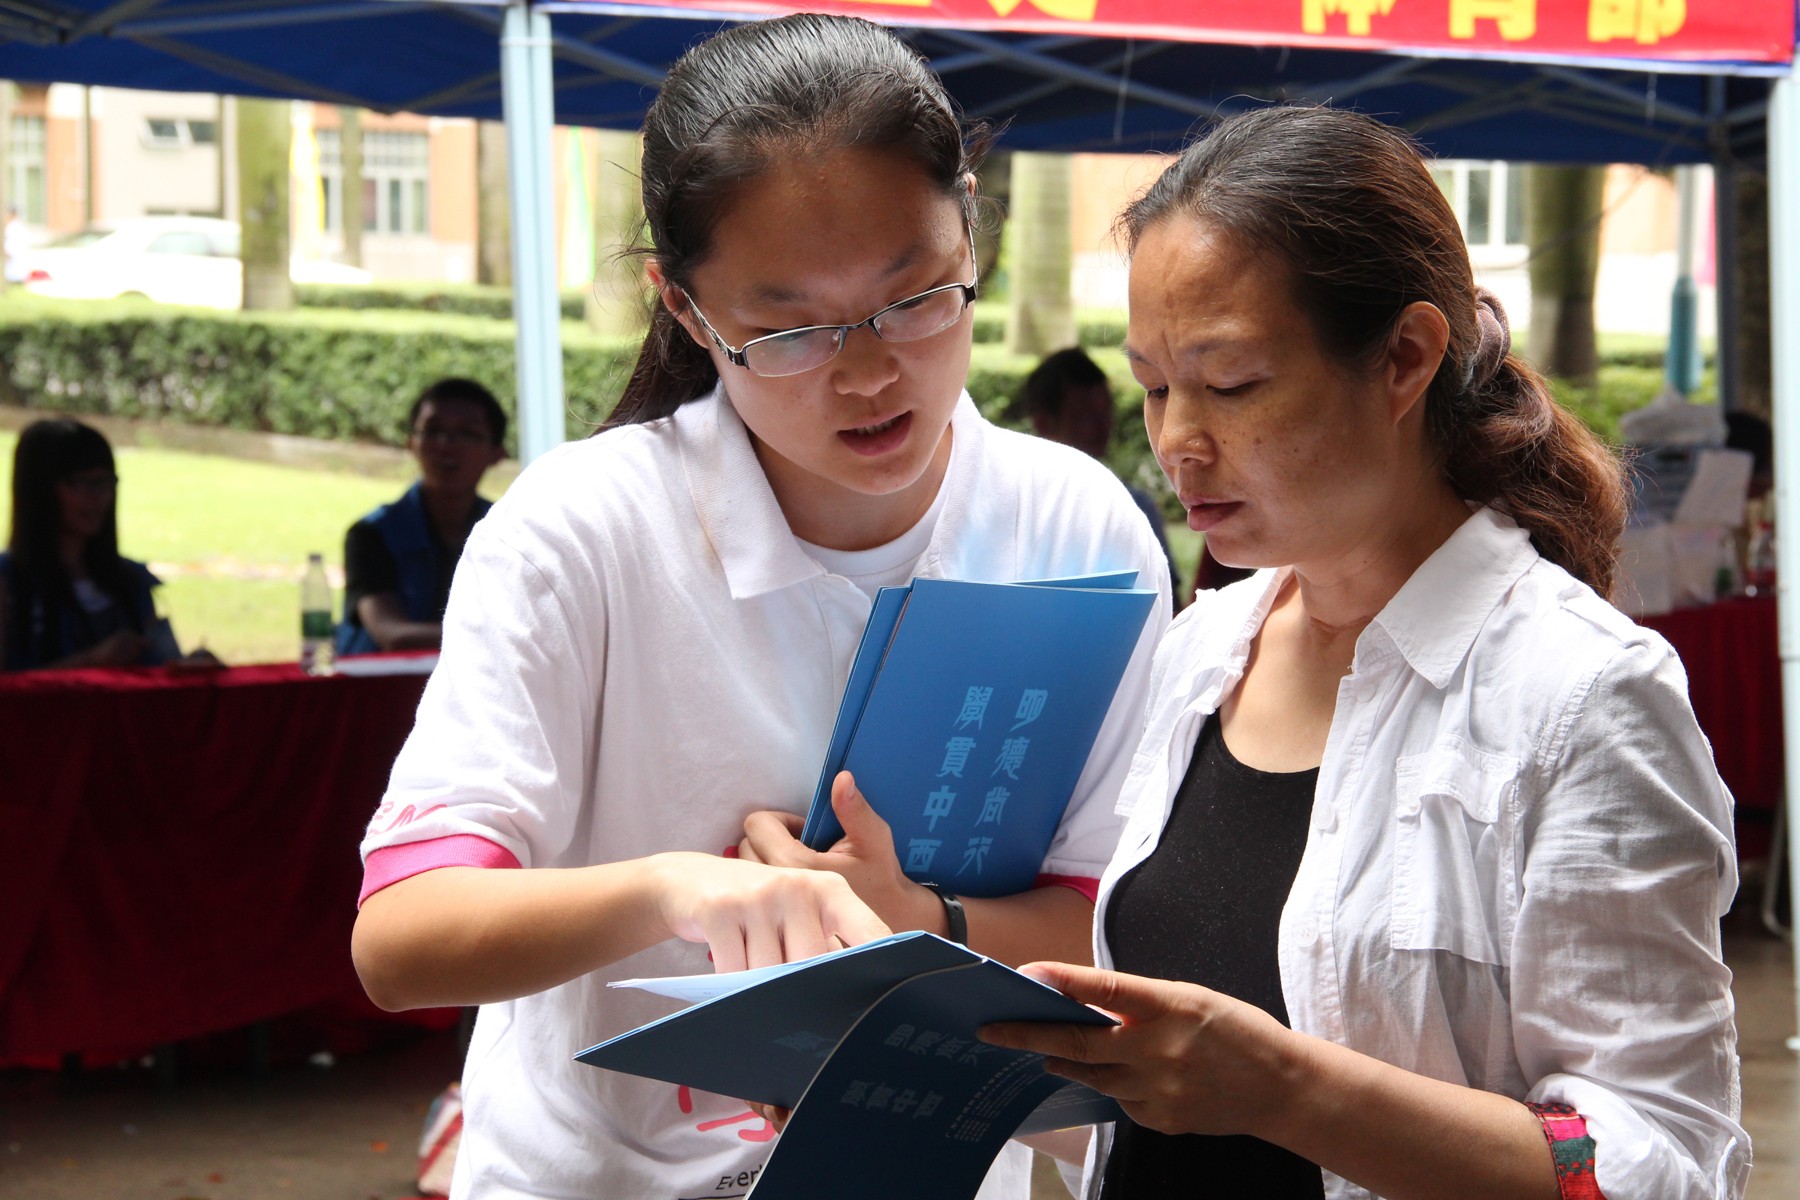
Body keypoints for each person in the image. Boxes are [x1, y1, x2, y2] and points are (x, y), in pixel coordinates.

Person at [349, 15, 1170, 1200]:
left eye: (914, 297)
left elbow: (1113, 922)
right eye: (787, 330)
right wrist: (677, 890)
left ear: (969, 225)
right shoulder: (582, 532)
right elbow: (403, 936)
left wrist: (914, 915)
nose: (869, 371)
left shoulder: (1074, 531)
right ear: (685, 310)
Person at [981, 106, 1747, 1200]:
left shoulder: (1579, 697)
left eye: (1233, 382)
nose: (1177, 441)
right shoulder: (1204, 653)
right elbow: (1155, 1107)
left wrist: (1292, 1092)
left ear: (1405, 357)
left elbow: (1659, 1162)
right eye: (1154, 384)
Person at [1, 417, 204, 671]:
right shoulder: (10, 582)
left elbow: (161, 667)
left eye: (106, 481)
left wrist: (190, 666)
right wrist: (91, 661)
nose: (99, 496)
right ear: (40, 490)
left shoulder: (131, 581)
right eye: (83, 482)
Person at [336, 377, 507, 655]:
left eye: (467, 433)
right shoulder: (372, 534)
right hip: (381, 694)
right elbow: (393, 635)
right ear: (411, 443)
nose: (446, 445)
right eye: (432, 430)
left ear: (497, 453)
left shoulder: (509, 534)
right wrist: (501, 636)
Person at [1017, 347, 1184, 607]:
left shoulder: (1135, 506)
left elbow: (1171, 607)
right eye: (1085, 415)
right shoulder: (1018, 510)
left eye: (1105, 412)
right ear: (1044, 423)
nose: (1102, 425)